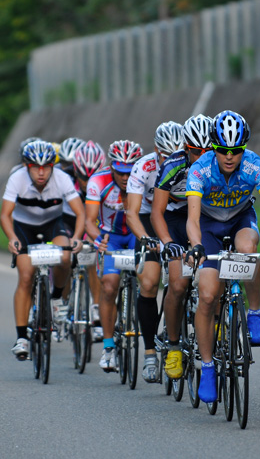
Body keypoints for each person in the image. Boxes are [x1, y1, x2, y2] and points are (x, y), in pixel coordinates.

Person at [185, 110, 260, 403]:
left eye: (236, 151)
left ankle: (253, 314)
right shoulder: (200, 170)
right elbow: (192, 217)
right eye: (223, 151)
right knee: (206, 295)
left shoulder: (257, 166)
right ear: (213, 147)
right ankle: (207, 368)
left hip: (241, 218)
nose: (229, 157)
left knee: (247, 251)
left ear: (244, 148)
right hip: (208, 225)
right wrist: (195, 244)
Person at [0, 139, 85, 359]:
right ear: (26, 166)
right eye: (35, 167)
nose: (41, 173)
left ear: (52, 167)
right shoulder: (16, 179)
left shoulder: (62, 179)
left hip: (52, 225)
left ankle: (56, 298)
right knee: (26, 276)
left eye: (46, 167)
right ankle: (21, 338)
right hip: (23, 227)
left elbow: (80, 213)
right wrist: (11, 238)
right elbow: (5, 215)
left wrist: (76, 238)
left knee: (65, 257)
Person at [151, 114, 214, 380]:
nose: (201, 157)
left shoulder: (221, 164)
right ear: (186, 147)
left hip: (206, 214)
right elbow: (156, 212)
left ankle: (219, 325)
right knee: (177, 284)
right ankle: (175, 345)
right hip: (176, 218)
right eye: (195, 152)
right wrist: (167, 243)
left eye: (207, 151)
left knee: (214, 274)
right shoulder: (173, 165)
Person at [125, 121, 185, 383]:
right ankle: (150, 352)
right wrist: (147, 239)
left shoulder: (192, 162)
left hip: (181, 215)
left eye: (176, 153)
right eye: (165, 155)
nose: (170, 160)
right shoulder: (144, 166)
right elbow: (132, 212)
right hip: (150, 218)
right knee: (148, 282)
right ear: (156, 151)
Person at [84, 140, 144, 372]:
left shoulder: (145, 178)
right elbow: (90, 221)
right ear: (112, 166)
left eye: (130, 172)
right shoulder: (98, 180)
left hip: (136, 235)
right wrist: (98, 239)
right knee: (109, 286)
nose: (125, 177)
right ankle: (108, 348)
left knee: (148, 281)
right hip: (112, 236)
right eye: (120, 172)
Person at [69, 141, 106, 341]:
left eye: (92, 176)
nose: (87, 182)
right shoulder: (67, 181)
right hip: (72, 223)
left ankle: (96, 307)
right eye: (83, 177)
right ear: (75, 171)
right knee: (66, 257)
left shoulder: (105, 182)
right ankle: (64, 301)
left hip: (94, 226)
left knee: (92, 258)